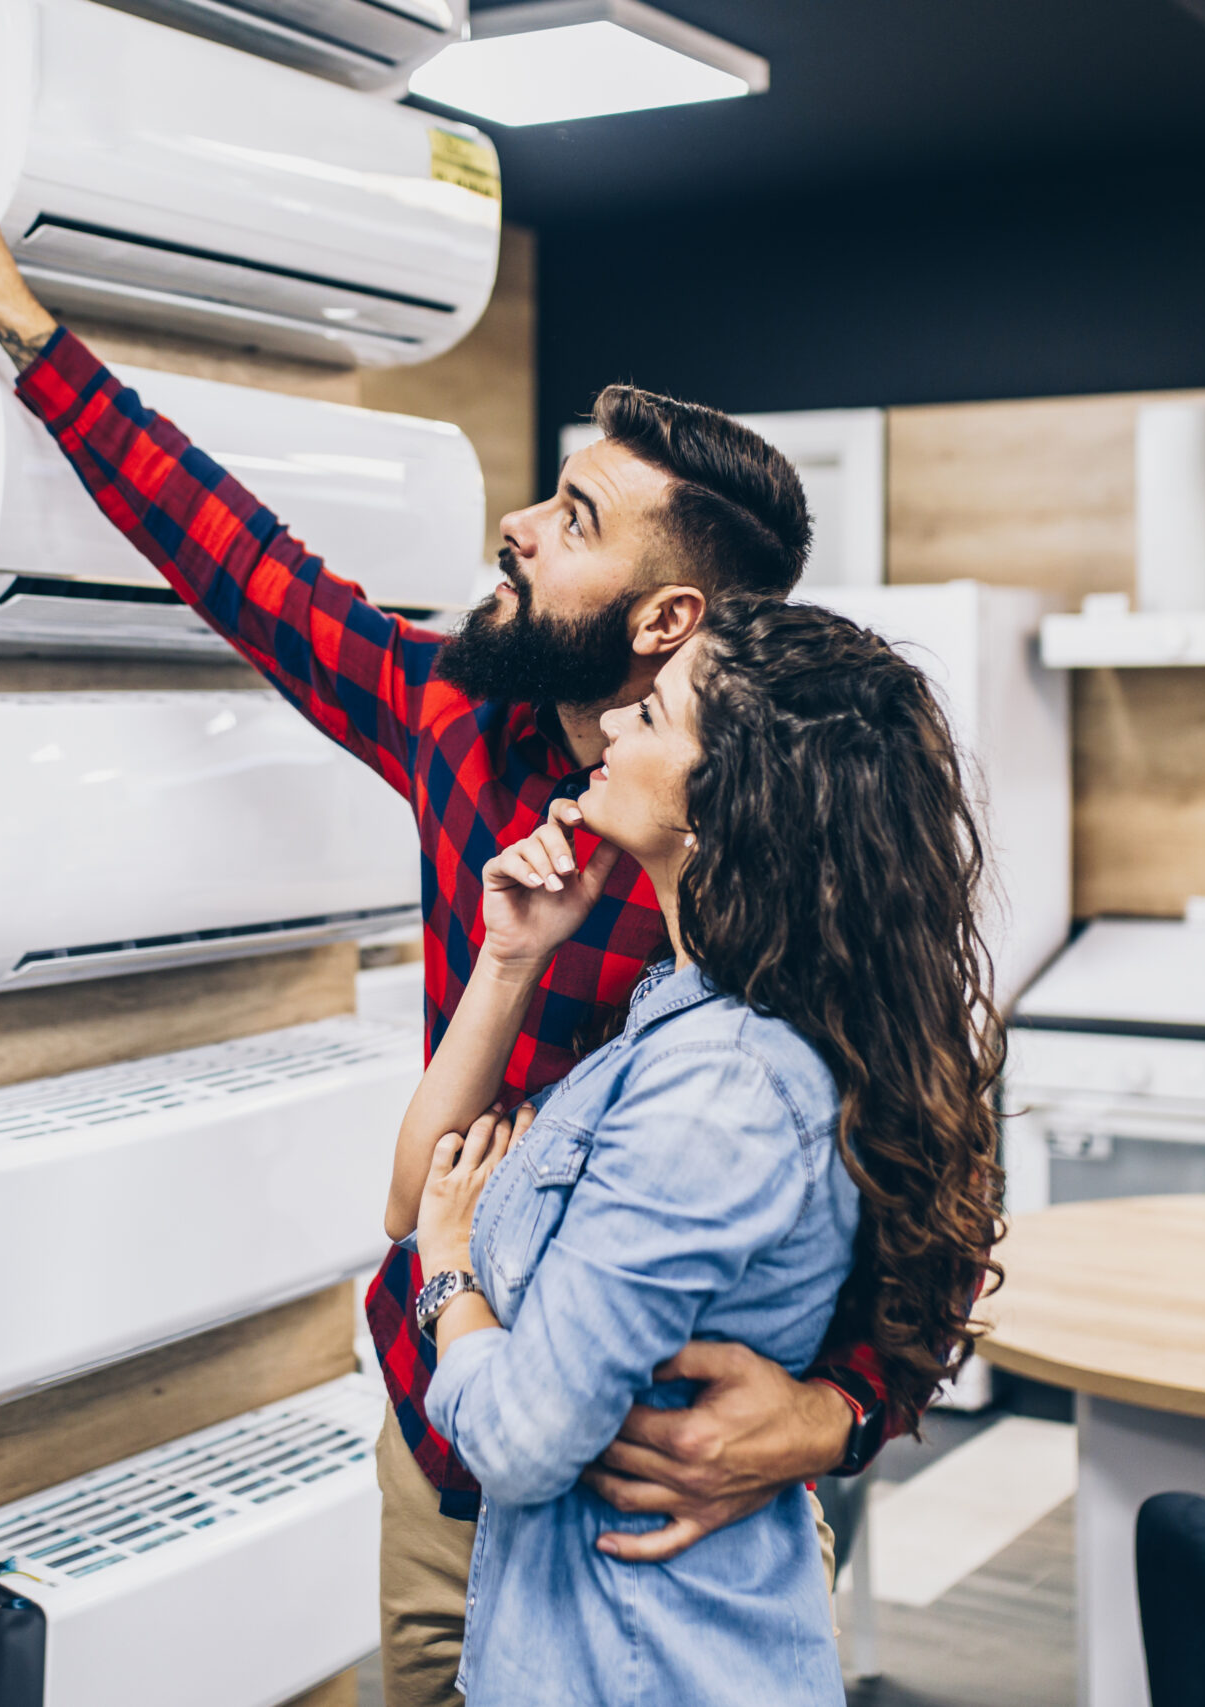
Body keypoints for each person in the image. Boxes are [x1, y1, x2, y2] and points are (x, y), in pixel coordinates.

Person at [0, 119, 911, 1706]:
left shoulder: (774, 891)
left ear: (668, 617)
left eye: (572, 518)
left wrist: (836, 1413)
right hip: (445, 1463)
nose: (519, 525)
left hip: (657, 1520)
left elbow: (935, 1203)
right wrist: (21, 324)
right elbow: (245, 563)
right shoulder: (460, 726)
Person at [398, 596, 1007, 1704]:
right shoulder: (697, 1011)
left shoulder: (718, 1086)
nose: (618, 723)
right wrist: (510, 961)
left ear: (721, 809)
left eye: (657, 710)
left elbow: (527, 1435)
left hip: (646, 1659)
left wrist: (449, 1281)